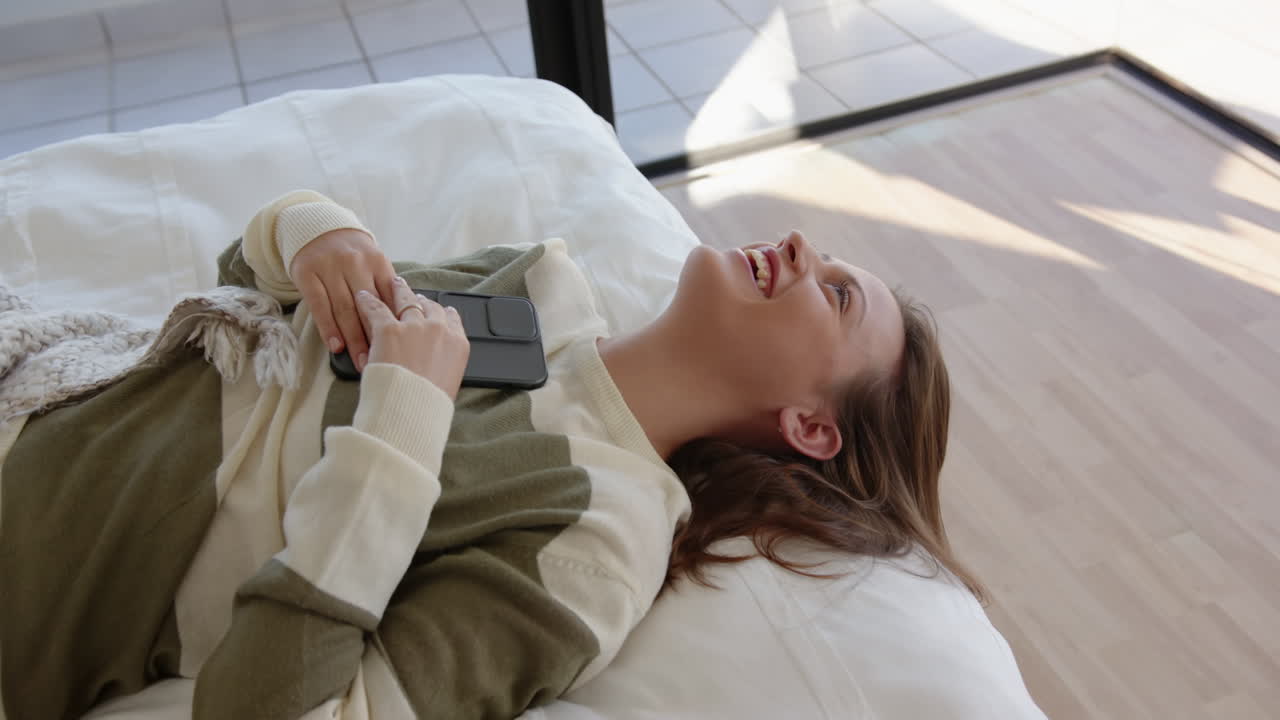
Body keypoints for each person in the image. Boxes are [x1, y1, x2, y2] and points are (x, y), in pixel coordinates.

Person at [0, 188, 977, 720]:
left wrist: (402, 425)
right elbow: (249, 294)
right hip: (46, 375)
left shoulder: (597, 545)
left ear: (811, 427)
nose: (800, 244)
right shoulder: (540, 287)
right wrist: (312, 231)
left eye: (836, 296)